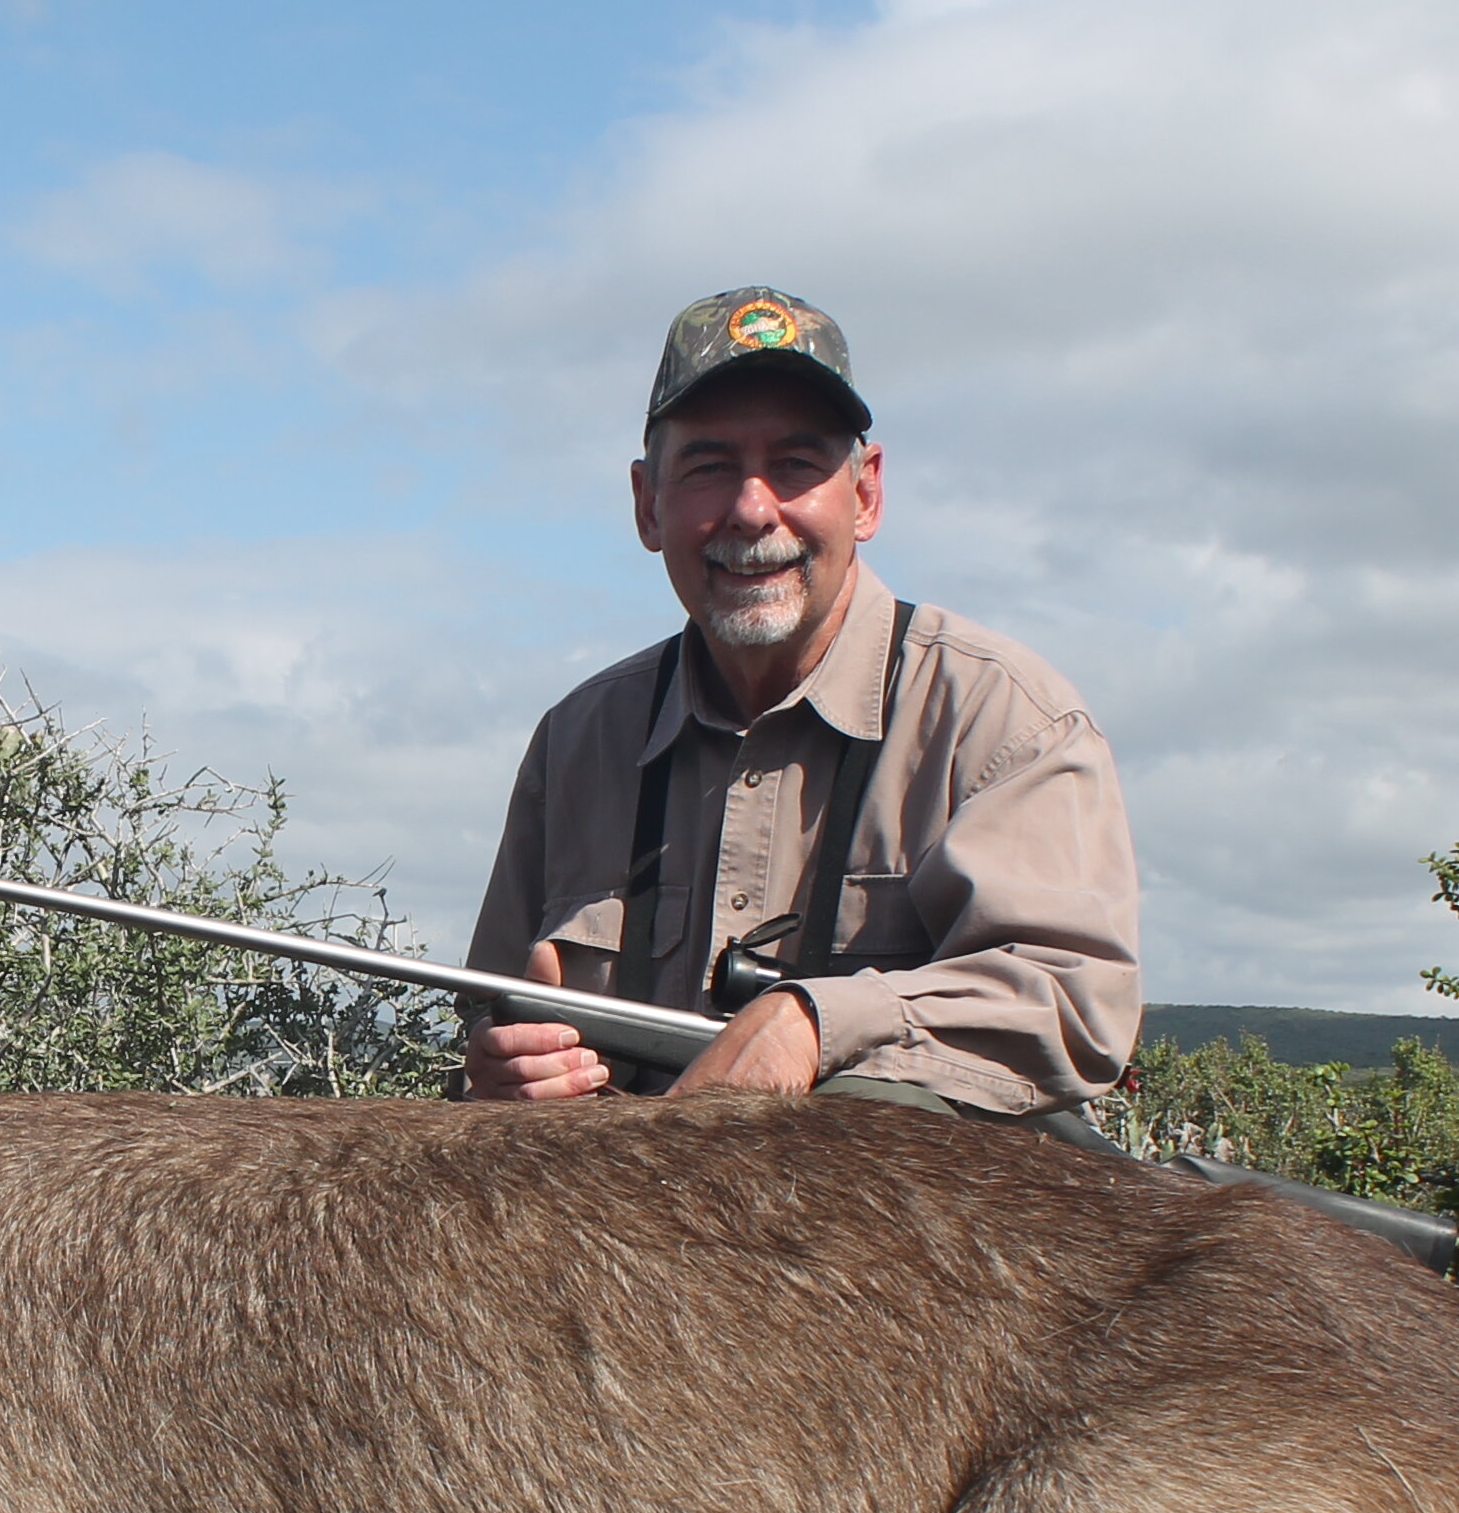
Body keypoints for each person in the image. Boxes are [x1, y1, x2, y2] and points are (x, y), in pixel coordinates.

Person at [458, 286, 1139, 1115]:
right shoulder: (577, 741)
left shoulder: (1007, 720)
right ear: (647, 503)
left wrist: (814, 1023)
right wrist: (499, 1076)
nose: (752, 509)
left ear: (866, 494)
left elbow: (1074, 1006)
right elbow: (490, 1024)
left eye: (795, 465)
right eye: (709, 468)